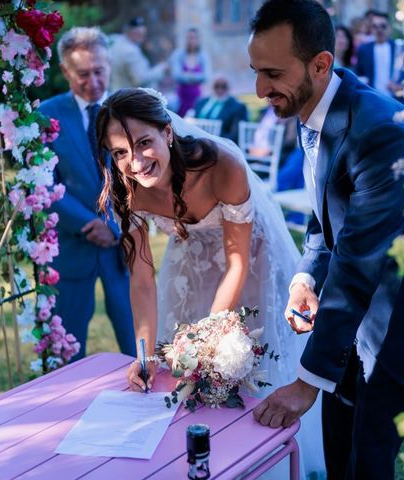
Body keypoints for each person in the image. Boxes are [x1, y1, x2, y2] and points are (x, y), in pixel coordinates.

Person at [247, 1, 404, 478]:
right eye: (256, 72)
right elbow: (326, 224)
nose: (260, 90)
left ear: (321, 64)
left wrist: (305, 383)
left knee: (369, 460)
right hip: (345, 327)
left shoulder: (379, 133)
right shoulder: (309, 106)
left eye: (272, 74)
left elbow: (359, 262)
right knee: (340, 454)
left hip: (394, 324)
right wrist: (305, 277)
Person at [94, 87, 325, 478]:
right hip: (192, 259)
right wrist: (143, 353)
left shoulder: (223, 166)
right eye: (120, 153)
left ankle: (268, 461)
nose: (135, 162)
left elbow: (237, 262)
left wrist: (208, 336)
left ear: (168, 132)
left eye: (144, 143)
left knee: (249, 360)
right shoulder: (126, 190)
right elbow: (142, 279)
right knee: (187, 377)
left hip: (253, 258)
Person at [39, 27, 135, 360]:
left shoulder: (130, 109)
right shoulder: (45, 116)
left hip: (124, 244)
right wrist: (86, 223)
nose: (93, 81)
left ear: (109, 66)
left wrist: (112, 223)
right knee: (67, 345)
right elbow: (43, 181)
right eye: (83, 74)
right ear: (65, 71)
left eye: (99, 71)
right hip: (71, 244)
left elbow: (142, 174)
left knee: (138, 338)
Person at [355, 11, 404, 102]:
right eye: (375, 26)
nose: (379, 30)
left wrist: (401, 86)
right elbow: (359, 73)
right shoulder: (363, 49)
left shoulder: (399, 48)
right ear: (371, 29)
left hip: (396, 100)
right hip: (372, 100)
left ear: (389, 28)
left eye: (383, 26)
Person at [109, 17, 168, 92]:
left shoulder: (117, 42)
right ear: (131, 32)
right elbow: (140, 80)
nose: (143, 38)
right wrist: (161, 69)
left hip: (117, 91)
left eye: (143, 34)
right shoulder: (130, 51)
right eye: (140, 34)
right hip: (128, 97)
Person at [190, 74, 248, 143]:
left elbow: (234, 135)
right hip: (195, 141)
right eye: (216, 86)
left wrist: (214, 140)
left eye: (224, 86)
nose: (220, 89)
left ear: (229, 87)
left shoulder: (238, 107)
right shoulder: (201, 102)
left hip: (219, 145)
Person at [170, 27, 211, 117]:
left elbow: (206, 77)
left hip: (196, 96)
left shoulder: (203, 56)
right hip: (181, 97)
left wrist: (186, 76)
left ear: (198, 39)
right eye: (189, 37)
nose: (191, 40)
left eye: (194, 37)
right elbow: (176, 75)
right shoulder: (178, 55)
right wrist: (196, 77)